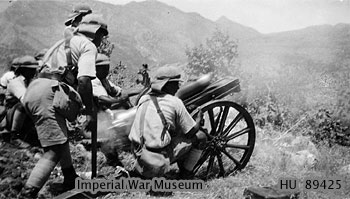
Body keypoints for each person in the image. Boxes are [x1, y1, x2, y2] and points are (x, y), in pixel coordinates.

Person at [19, 14, 109, 198]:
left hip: (36, 88)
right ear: (96, 32)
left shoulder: (64, 42)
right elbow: (84, 80)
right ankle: (28, 194)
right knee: (53, 151)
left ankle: (70, 177)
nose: (102, 40)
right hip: (49, 92)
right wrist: (90, 112)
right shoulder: (87, 45)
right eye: (103, 35)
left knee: (60, 139)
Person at [128, 65, 206, 179]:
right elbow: (190, 132)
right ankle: (186, 174)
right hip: (156, 157)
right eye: (175, 84)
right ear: (167, 84)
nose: (178, 87)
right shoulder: (175, 102)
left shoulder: (143, 98)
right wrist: (198, 120)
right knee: (201, 136)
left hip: (138, 151)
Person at [3, 55, 39, 147]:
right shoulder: (15, 83)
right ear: (22, 70)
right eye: (30, 70)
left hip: (25, 115)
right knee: (23, 106)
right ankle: (14, 137)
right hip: (11, 114)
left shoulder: (31, 81)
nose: (33, 72)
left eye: (34, 69)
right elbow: (25, 99)